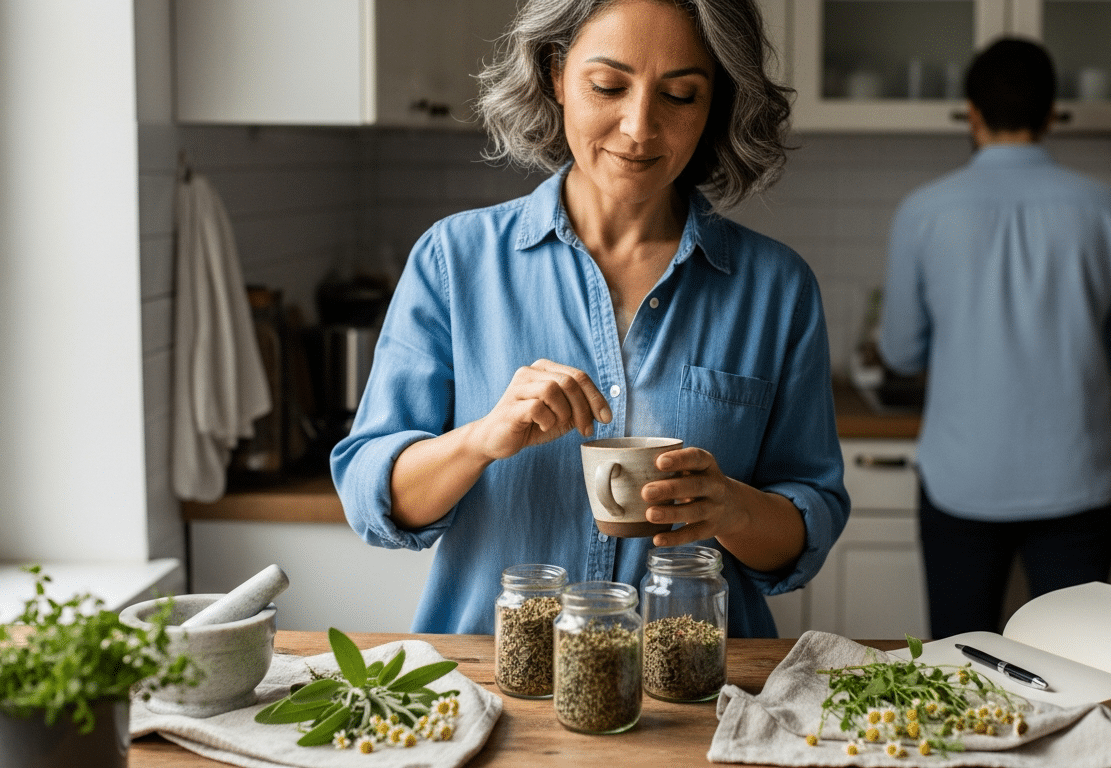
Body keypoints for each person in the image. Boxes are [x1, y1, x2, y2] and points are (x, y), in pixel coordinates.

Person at [332, 0, 849, 638]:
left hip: (698, 694)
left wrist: (730, 507)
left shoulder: (775, 287)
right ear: (555, 73)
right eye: (608, 86)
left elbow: (808, 523)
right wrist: (481, 439)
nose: (639, 127)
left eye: (680, 96)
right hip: (498, 687)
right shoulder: (454, 261)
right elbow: (370, 496)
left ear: (716, 102)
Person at [877, 37, 1111, 639]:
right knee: (1080, 669)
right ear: (1053, 114)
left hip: (962, 480)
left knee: (959, 663)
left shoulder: (923, 210)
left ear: (971, 114)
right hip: (1077, 479)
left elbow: (899, 351)